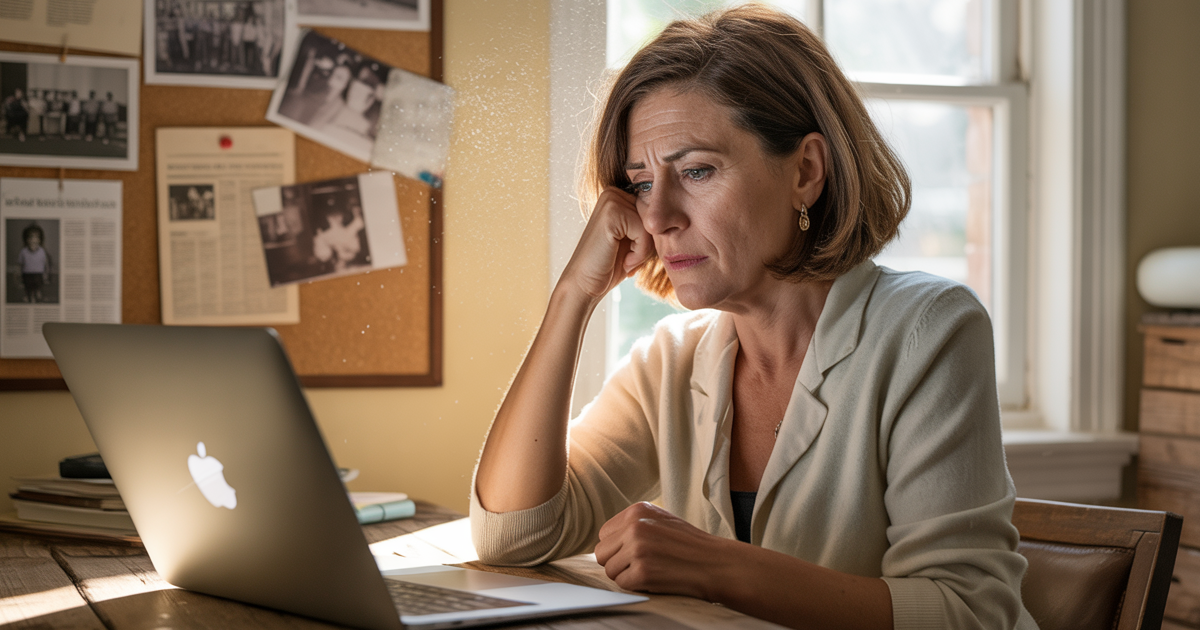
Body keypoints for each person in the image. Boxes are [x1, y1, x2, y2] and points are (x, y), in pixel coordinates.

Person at [471, 6, 1036, 630]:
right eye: (638, 184)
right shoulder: (671, 358)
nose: (657, 217)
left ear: (806, 171)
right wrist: (573, 296)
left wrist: (716, 566)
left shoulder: (929, 331)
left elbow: (971, 612)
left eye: (696, 170)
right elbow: (513, 534)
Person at [17, 223, 50, 303]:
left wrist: (45, 275)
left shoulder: (42, 251)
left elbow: (46, 264)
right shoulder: (23, 252)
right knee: (28, 286)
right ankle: (28, 295)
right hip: (27, 274)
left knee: (37, 285)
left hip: (38, 274)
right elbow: (20, 265)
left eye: (36, 237)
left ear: (40, 239)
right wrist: (19, 278)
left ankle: (37, 292)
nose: (33, 240)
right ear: (26, 239)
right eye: (30, 237)